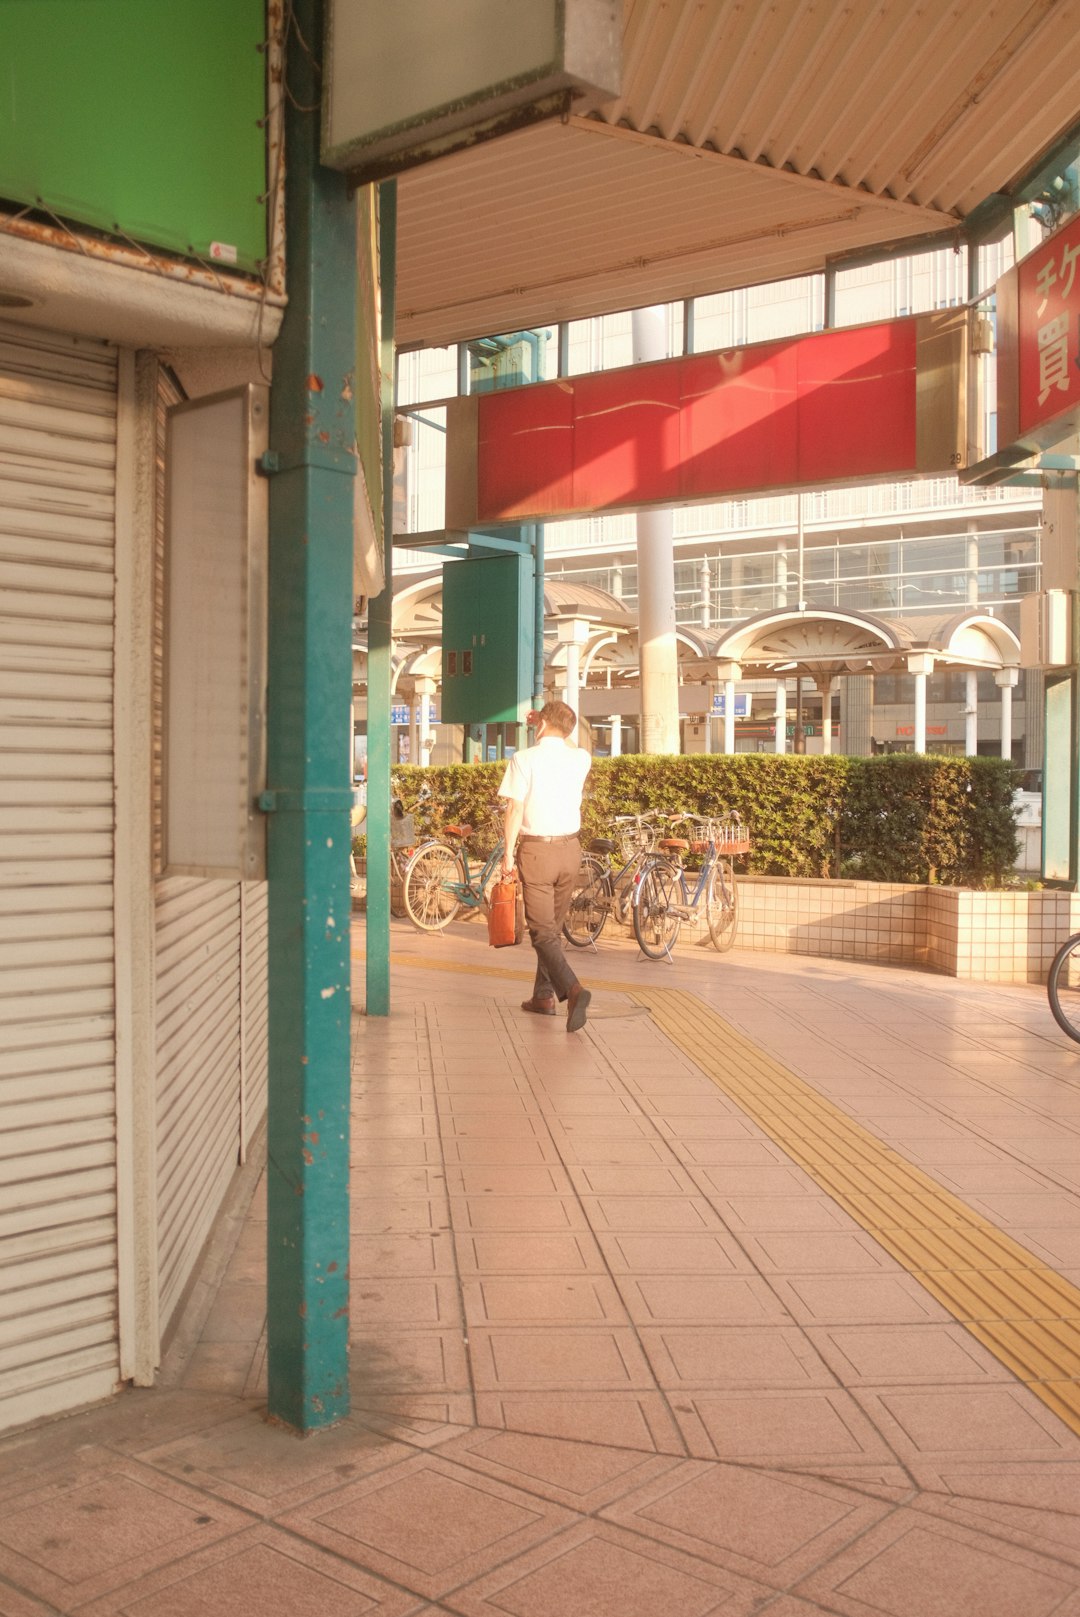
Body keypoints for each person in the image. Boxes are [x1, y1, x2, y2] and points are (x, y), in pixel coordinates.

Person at [498, 700, 592, 1032]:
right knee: (551, 931)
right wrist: (550, 723)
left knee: (542, 933)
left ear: (539, 726)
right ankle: (542, 996)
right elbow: (564, 737)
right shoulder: (580, 759)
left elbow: (514, 809)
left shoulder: (524, 759)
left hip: (537, 853)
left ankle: (573, 989)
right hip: (570, 851)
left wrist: (508, 854)